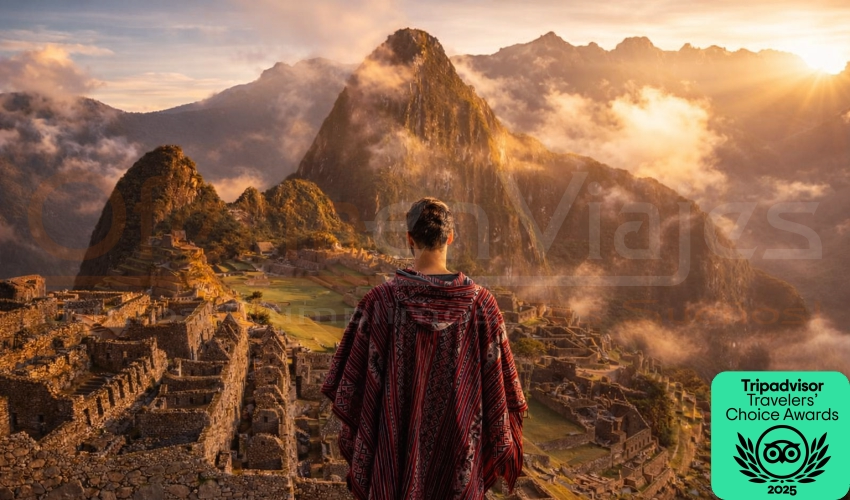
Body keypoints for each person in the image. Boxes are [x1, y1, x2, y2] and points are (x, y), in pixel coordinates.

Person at [321, 197, 527, 500]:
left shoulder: (378, 302)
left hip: (393, 459)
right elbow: (501, 391)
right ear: (450, 237)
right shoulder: (483, 306)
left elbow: (352, 389)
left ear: (409, 239)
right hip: (459, 458)